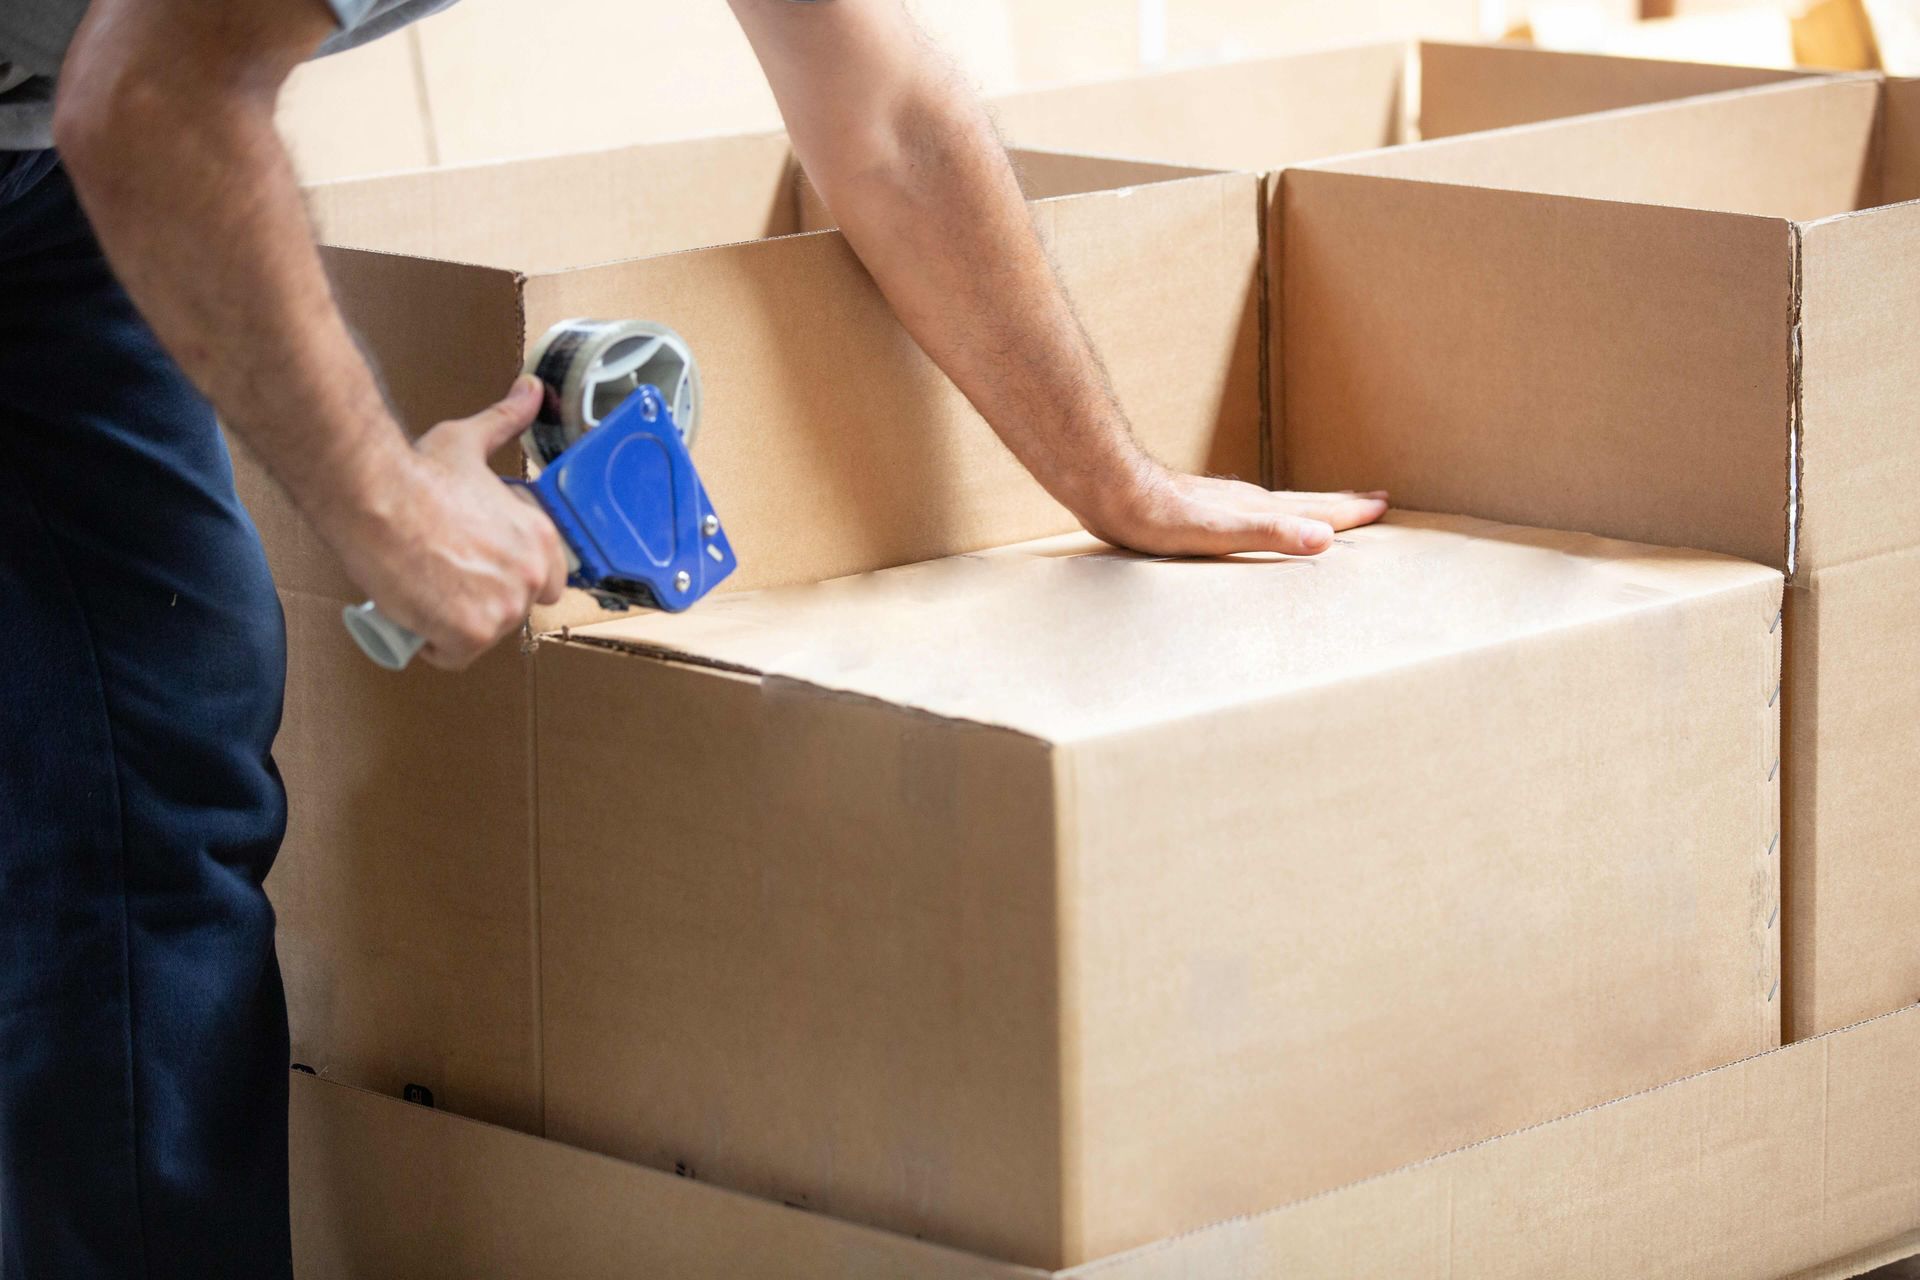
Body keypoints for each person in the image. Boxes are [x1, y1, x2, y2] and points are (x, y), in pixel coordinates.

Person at [0, 0, 1388, 1274]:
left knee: (139, 784)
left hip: (45, 136)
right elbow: (152, 105)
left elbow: (884, 111)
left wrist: (1115, 479)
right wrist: (381, 505)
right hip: (96, 116)